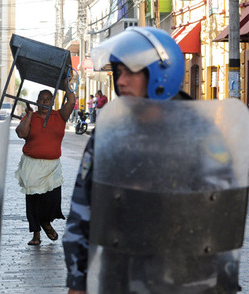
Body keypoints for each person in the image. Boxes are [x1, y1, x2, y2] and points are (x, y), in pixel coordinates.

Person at [63, 27, 198, 293]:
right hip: (119, 277)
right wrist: (77, 281)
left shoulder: (199, 134)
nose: (121, 81)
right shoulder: (110, 133)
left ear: (161, 72)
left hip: (185, 279)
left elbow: (220, 214)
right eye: (118, 72)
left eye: (131, 71)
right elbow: (83, 209)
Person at [15, 86, 76, 245]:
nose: (44, 102)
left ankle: (46, 223)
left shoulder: (60, 115)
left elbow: (71, 101)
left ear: (52, 102)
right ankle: (36, 235)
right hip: (32, 165)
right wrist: (28, 116)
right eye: (41, 99)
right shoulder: (31, 116)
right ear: (36, 102)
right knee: (33, 201)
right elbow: (21, 133)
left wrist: (66, 80)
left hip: (52, 167)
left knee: (52, 199)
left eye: (48, 99)